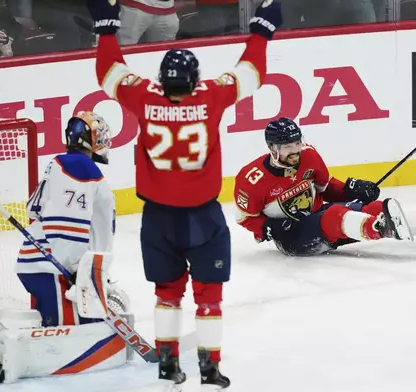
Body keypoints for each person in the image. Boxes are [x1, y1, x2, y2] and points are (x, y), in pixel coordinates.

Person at [87, 0, 282, 388]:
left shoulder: (145, 96)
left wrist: (107, 29)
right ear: (194, 80)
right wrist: (261, 31)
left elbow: (110, 72)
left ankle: (167, 364)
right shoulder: (211, 96)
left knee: (166, 294)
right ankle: (210, 369)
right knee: (209, 297)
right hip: (203, 217)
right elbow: (251, 72)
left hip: (159, 218)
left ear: (161, 78)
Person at [0, 112, 130, 383]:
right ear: (88, 139)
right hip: (50, 266)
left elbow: (35, 208)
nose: (103, 141)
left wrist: (88, 271)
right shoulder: (84, 169)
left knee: (71, 327)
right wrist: (85, 271)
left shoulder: (56, 164)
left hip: (40, 262)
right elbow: (70, 229)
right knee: (70, 334)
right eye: (99, 135)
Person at [234, 117, 416, 257]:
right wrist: (270, 228)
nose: (295, 150)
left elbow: (326, 187)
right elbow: (244, 218)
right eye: (287, 147)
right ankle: (379, 228)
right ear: (272, 148)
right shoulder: (251, 179)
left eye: (297, 143)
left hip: (318, 216)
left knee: (371, 206)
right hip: (293, 238)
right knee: (334, 215)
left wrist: (352, 189)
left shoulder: (309, 156)